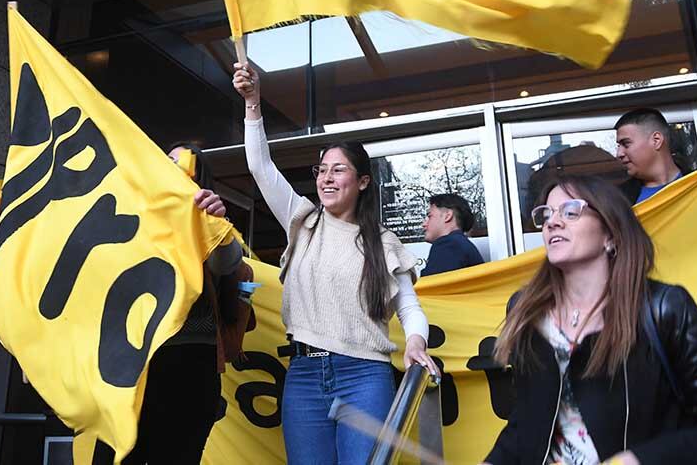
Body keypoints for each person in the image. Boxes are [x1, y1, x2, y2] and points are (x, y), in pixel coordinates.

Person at [233, 62, 437, 465]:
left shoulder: (383, 242)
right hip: (304, 376)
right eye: (321, 170)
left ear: (362, 182)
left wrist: (416, 341)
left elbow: (409, 307)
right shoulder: (302, 221)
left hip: (365, 376)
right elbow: (260, 167)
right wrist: (253, 103)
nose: (326, 178)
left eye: (338, 169)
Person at [485, 175, 697, 465]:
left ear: (610, 234)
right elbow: (527, 423)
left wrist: (637, 461)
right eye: (546, 214)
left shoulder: (666, 308)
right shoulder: (525, 312)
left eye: (570, 211)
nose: (553, 222)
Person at [125, 143, 244, 465]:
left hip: (190, 366)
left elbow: (228, 263)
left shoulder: (206, 219)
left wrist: (215, 221)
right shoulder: (138, 216)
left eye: (177, 163)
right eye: (165, 161)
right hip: (136, 365)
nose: (169, 167)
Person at [421, 193, 484, 276]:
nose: (424, 224)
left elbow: (429, 286)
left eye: (429, 216)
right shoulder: (459, 244)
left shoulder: (448, 244)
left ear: (447, 216)